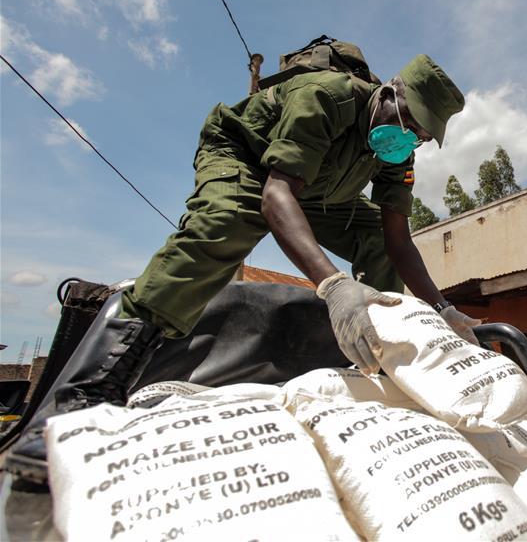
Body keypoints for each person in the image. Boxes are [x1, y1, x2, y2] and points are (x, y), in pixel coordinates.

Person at [6, 53, 481, 483]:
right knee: (227, 222)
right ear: (387, 93)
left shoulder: (396, 154)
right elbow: (276, 197)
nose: (408, 137)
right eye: (407, 120)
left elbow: (397, 236)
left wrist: (442, 309)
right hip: (248, 160)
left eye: (420, 134)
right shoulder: (327, 95)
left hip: (315, 188)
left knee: (374, 235)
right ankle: (73, 405)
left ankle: (376, 366)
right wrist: (334, 286)